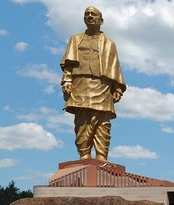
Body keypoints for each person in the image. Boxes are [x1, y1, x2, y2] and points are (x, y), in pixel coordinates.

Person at [60, 6, 126, 162]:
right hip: (80, 83)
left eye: (93, 14)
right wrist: (67, 80)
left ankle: (102, 156)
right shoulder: (76, 39)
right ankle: (84, 154)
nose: (90, 16)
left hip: (102, 85)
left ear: (101, 20)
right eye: (87, 14)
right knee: (82, 120)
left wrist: (117, 87)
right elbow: (68, 64)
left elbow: (114, 66)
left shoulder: (109, 44)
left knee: (102, 121)